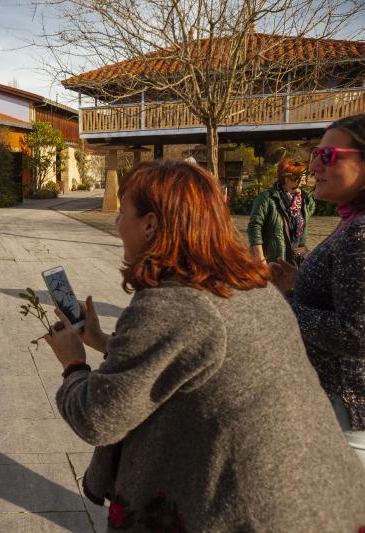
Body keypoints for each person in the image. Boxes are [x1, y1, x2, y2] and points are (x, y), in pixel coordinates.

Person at [45, 160, 365, 532]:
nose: (116, 225)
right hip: (311, 494)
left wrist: (73, 365)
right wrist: (100, 341)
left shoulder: (173, 302)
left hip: (254, 510)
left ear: (150, 225)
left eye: (122, 214)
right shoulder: (245, 283)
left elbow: (99, 418)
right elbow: (189, 356)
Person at [271, 113, 365, 467]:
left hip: (345, 412)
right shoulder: (351, 222)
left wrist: (282, 307)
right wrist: (295, 285)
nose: (315, 166)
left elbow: (357, 334)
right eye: (315, 154)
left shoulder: (360, 233)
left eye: (329, 156)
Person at [248, 159, 314, 264]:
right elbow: (254, 227)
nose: (304, 181)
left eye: (305, 176)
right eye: (301, 177)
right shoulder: (267, 198)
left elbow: (306, 219)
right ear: (287, 179)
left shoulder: (305, 199)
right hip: (274, 257)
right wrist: (261, 258)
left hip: (297, 257)